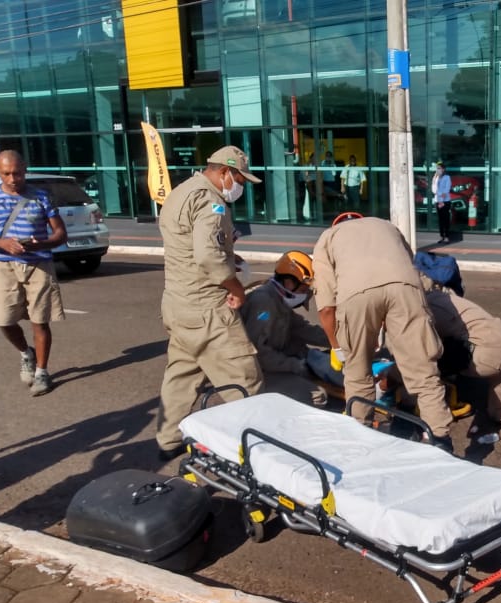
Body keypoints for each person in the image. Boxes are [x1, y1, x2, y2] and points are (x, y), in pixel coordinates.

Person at [154, 145, 264, 461]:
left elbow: (191, 247)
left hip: (178, 302)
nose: (240, 187)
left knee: (183, 374)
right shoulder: (210, 201)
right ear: (224, 171)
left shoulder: (181, 192)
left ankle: (168, 439)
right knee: (244, 379)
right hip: (207, 308)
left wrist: (229, 255)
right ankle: (257, 449)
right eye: (239, 180)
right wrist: (236, 287)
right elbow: (207, 256)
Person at [311, 214, 455, 452]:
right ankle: (440, 440)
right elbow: (406, 267)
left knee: (358, 374)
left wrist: (338, 348)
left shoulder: (328, 237)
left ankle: (360, 438)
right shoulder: (387, 226)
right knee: (423, 372)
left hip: (356, 297)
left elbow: (326, 308)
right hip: (406, 288)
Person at [0, 149, 68, 397]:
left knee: (40, 320)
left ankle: (42, 373)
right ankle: (27, 353)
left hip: (39, 264)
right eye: (6, 173)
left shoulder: (42, 196)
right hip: (5, 265)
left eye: (17, 173)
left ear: (24, 169)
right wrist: (2, 244)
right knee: (4, 320)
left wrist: (42, 244)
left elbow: (60, 233)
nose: (13, 178)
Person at [421, 277, 501, 447]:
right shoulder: (451, 298)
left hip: (486, 356)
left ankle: (442, 401)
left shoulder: (426, 307)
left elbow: (424, 349)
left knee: (426, 358)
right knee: (497, 410)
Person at [240, 250, 330, 408]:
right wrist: (293, 365)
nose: (305, 295)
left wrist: (338, 340)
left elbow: (303, 329)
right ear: (289, 282)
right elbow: (257, 352)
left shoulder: (278, 299)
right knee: (317, 396)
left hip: (270, 365)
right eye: (303, 290)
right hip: (255, 373)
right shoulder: (264, 303)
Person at [431, 161, 452, 243]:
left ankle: (447, 236)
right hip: (438, 201)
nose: (438, 170)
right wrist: (439, 193)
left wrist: (440, 194)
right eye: (437, 168)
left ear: (443, 169)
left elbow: (447, 189)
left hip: (445, 201)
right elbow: (433, 190)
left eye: (439, 168)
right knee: (440, 219)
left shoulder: (447, 177)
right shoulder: (435, 178)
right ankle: (441, 236)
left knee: (446, 219)